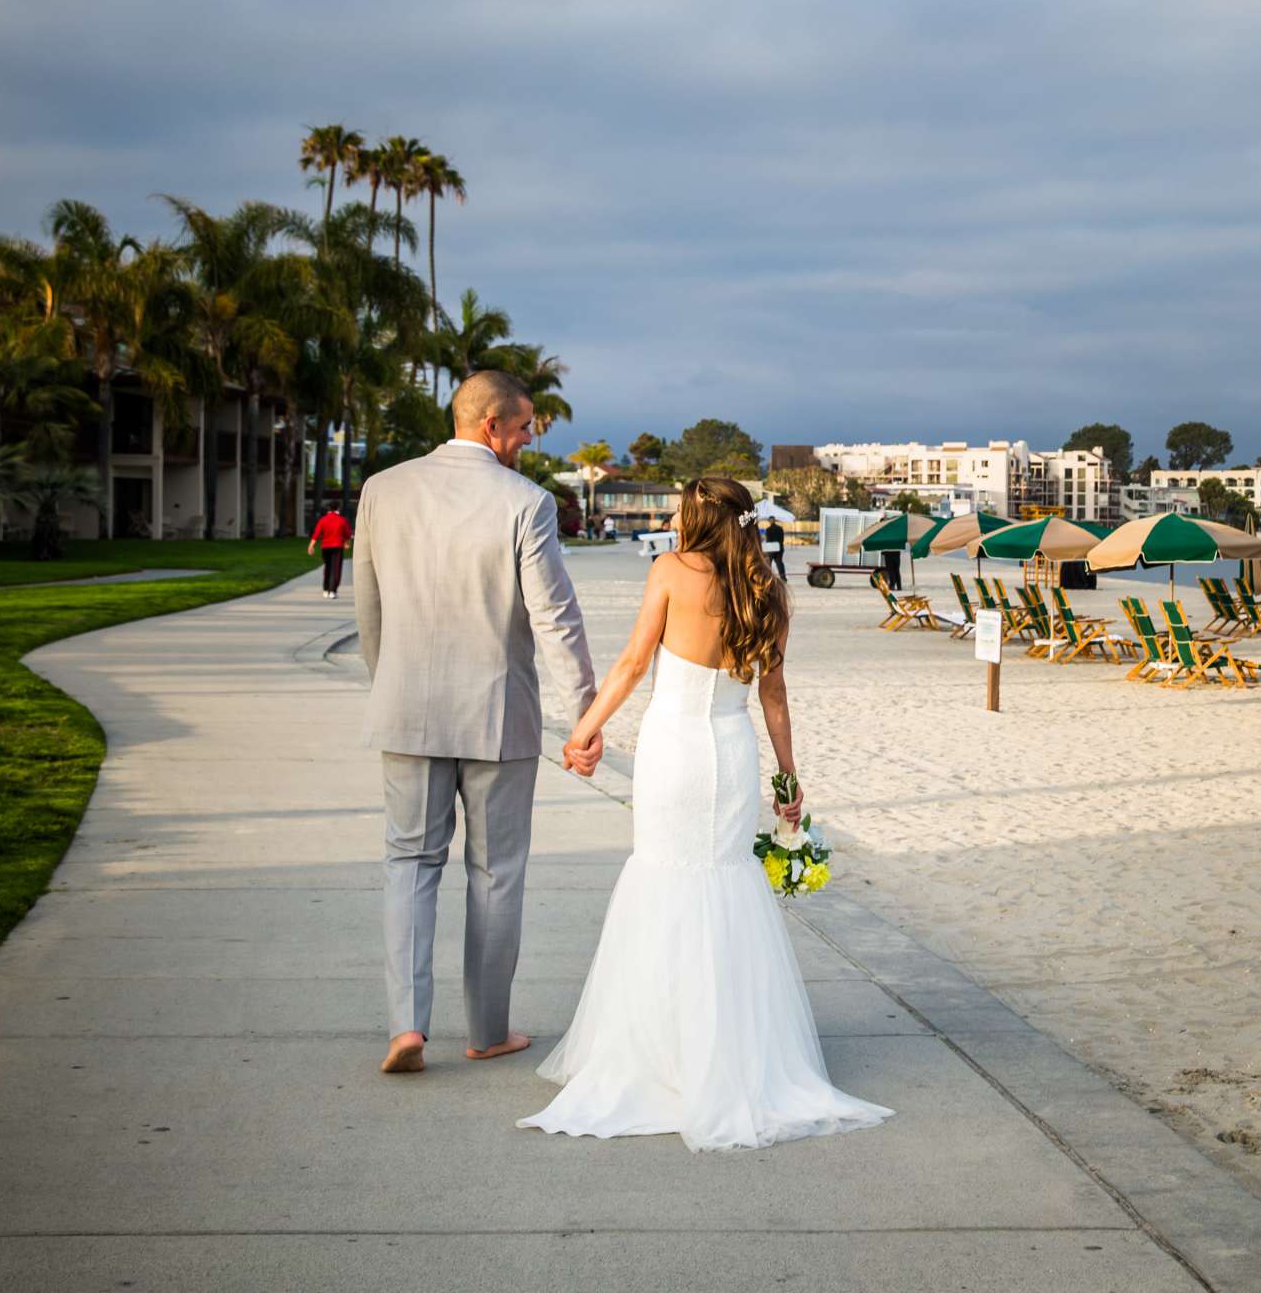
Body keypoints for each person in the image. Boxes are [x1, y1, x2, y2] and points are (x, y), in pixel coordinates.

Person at [521, 476, 892, 1151]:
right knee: (724, 881)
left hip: (675, 749)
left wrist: (584, 730)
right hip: (732, 749)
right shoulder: (768, 588)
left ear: (694, 516)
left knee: (664, 876)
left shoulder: (670, 570)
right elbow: (774, 695)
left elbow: (635, 663)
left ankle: (664, 1052)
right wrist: (788, 776)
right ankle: (734, 1054)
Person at [352, 370, 599, 1076]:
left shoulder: (383, 490)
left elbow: (367, 609)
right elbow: (555, 618)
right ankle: (487, 1030)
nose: (527, 441)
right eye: (524, 428)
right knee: (495, 872)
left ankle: (406, 1025)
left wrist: (388, 683)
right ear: (492, 425)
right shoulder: (526, 501)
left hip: (406, 710)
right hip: (498, 716)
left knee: (408, 863)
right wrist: (583, 714)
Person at [309, 500, 353, 598]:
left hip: (325, 547)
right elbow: (348, 534)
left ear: (328, 508)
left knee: (327, 568)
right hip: (337, 547)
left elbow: (316, 534)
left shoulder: (323, 520)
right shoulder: (342, 520)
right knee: (336, 569)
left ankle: (325, 590)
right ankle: (333, 591)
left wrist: (311, 546)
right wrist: (346, 543)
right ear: (338, 508)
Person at [761, 515, 787, 581]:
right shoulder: (780, 528)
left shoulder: (768, 529)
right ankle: (783, 578)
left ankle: (768, 578)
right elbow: (782, 539)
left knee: (768, 564)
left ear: (769, 521)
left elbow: (768, 540)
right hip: (779, 548)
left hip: (771, 549)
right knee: (779, 563)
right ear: (774, 520)